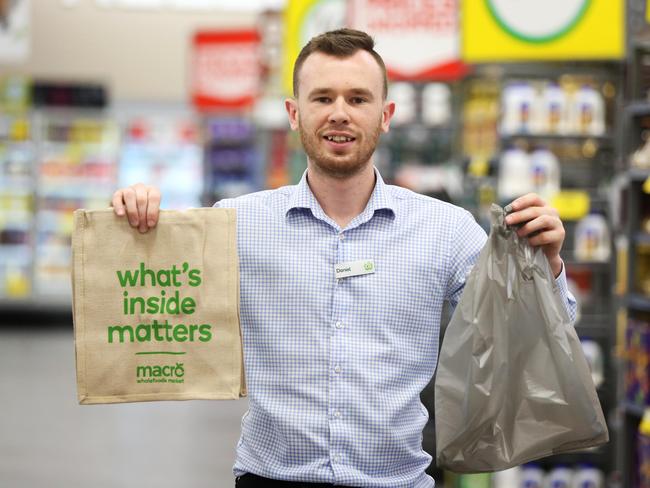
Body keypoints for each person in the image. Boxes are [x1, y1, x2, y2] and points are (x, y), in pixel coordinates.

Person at [112, 29, 575, 488]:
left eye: (357, 99)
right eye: (322, 98)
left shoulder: (445, 231)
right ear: (294, 113)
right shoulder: (236, 223)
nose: (339, 114)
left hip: (397, 482)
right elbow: (151, 312)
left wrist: (548, 266)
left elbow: (533, 340)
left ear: (385, 115)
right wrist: (137, 230)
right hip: (271, 479)